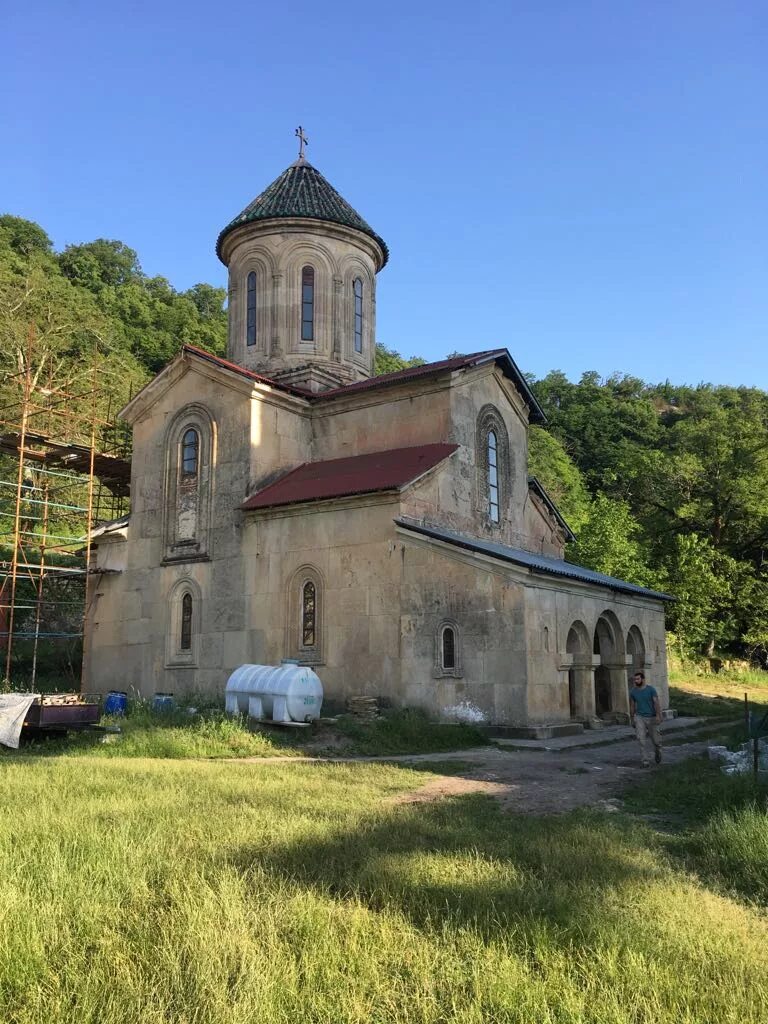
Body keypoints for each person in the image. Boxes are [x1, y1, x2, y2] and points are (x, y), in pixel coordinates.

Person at [629, 670, 662, 767]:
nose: (636, 681)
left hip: (652, 717)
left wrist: (658, 715)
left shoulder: (651, 690)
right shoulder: (633, 692)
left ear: (643, 679)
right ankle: (645, 761)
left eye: (638, 679)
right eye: (635, 679)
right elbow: (632, 705)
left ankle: (658, 751)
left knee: (656, 740)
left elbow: (656, 703)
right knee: (641, 740)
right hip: (639, 717)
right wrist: (632, 718)